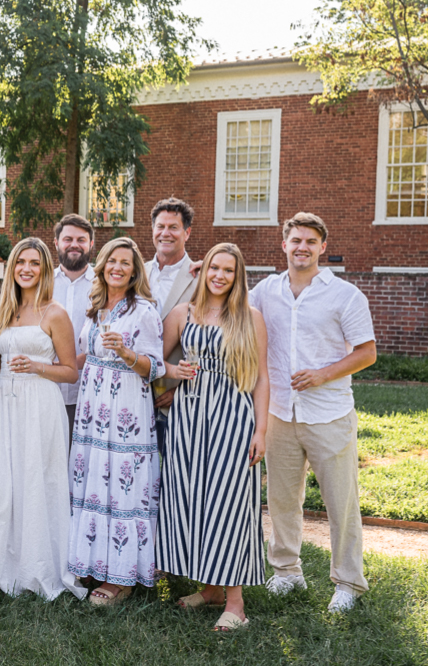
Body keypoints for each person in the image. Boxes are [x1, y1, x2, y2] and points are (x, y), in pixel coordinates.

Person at [249, 213, 376, 614]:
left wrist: (322, 374)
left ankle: (348, 582)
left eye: (310, 241)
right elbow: (230, 308)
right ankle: (287, 571)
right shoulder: (265, 292)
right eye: (295, 240)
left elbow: (366, 352)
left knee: (341, 502)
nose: (301, 247)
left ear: (322, 247)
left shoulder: (345, 295)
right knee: (283, 499)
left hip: (330, 414)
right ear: (283, 245)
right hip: (281, 413)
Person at [0, 238, 85, 600]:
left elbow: (71, 371)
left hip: (41, 403)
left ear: (44, 269)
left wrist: (38, 366)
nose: (27, 268)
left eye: (35, 263)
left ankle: (39, 565)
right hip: (5, 405)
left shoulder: (54, 313)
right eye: (21, 262)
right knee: (2, 479)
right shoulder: (3, 312)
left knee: (38, 479)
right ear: (12, 268)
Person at [153, 243, 269, 631]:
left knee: (229, 503)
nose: (219, 275)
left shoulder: (249, 317)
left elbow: (262, 378)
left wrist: (261, 430)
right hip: (188, 419)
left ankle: (236, 605)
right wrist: (171, 378)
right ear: (203, 272)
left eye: (229, 271)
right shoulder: (182, 314)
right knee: (193, 499)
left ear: (238, 278)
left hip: (233, 419)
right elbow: (153, 361)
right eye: (214, 268)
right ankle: (212, 589)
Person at [68, 237, 165, 606]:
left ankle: (122, 578)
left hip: (126, 409)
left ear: (135, 270)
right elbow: (83, 355)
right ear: (103, 265)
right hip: (92, 409)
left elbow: (155, 366)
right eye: (112, 261)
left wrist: (126, 353)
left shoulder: (143, 311)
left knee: (122, 486)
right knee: (93, 481)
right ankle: (92, 563)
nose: (118, 268)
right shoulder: (94, 308)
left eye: (126, 263)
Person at [145, 198, 199, 450]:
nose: (165, 233)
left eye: (173, 227)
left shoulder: (203, 278)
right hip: (133, 393)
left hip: (180, 397)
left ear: (187, 233)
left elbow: (216, 342)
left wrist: (181, 391)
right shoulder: (134, 272)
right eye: (160, 226)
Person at [52, 214, 96, 442]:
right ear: (57, 242)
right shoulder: (43, 283)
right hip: (48, 391)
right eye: (68, 238)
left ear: (91, 244)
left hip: (90, 395)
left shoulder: (104, 284)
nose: (74, 244)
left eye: (81, 239)